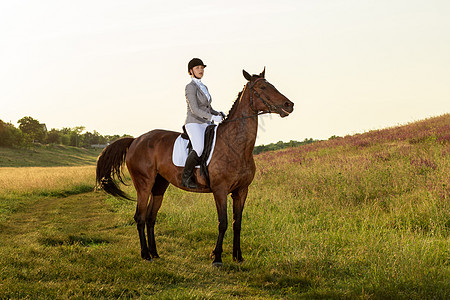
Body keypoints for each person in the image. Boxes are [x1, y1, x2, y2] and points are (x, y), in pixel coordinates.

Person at [182, 58, 224, 188]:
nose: (200, 70)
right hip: (194, 122)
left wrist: (218, 114)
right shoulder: (190, 87)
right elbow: (195, 109)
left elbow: (208, 108)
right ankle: (186, 178)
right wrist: (212, 117)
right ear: (191, 71)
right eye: (197, 68)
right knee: (199, 148)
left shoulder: (204, 87)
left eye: (202, 68)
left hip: (206, 123)